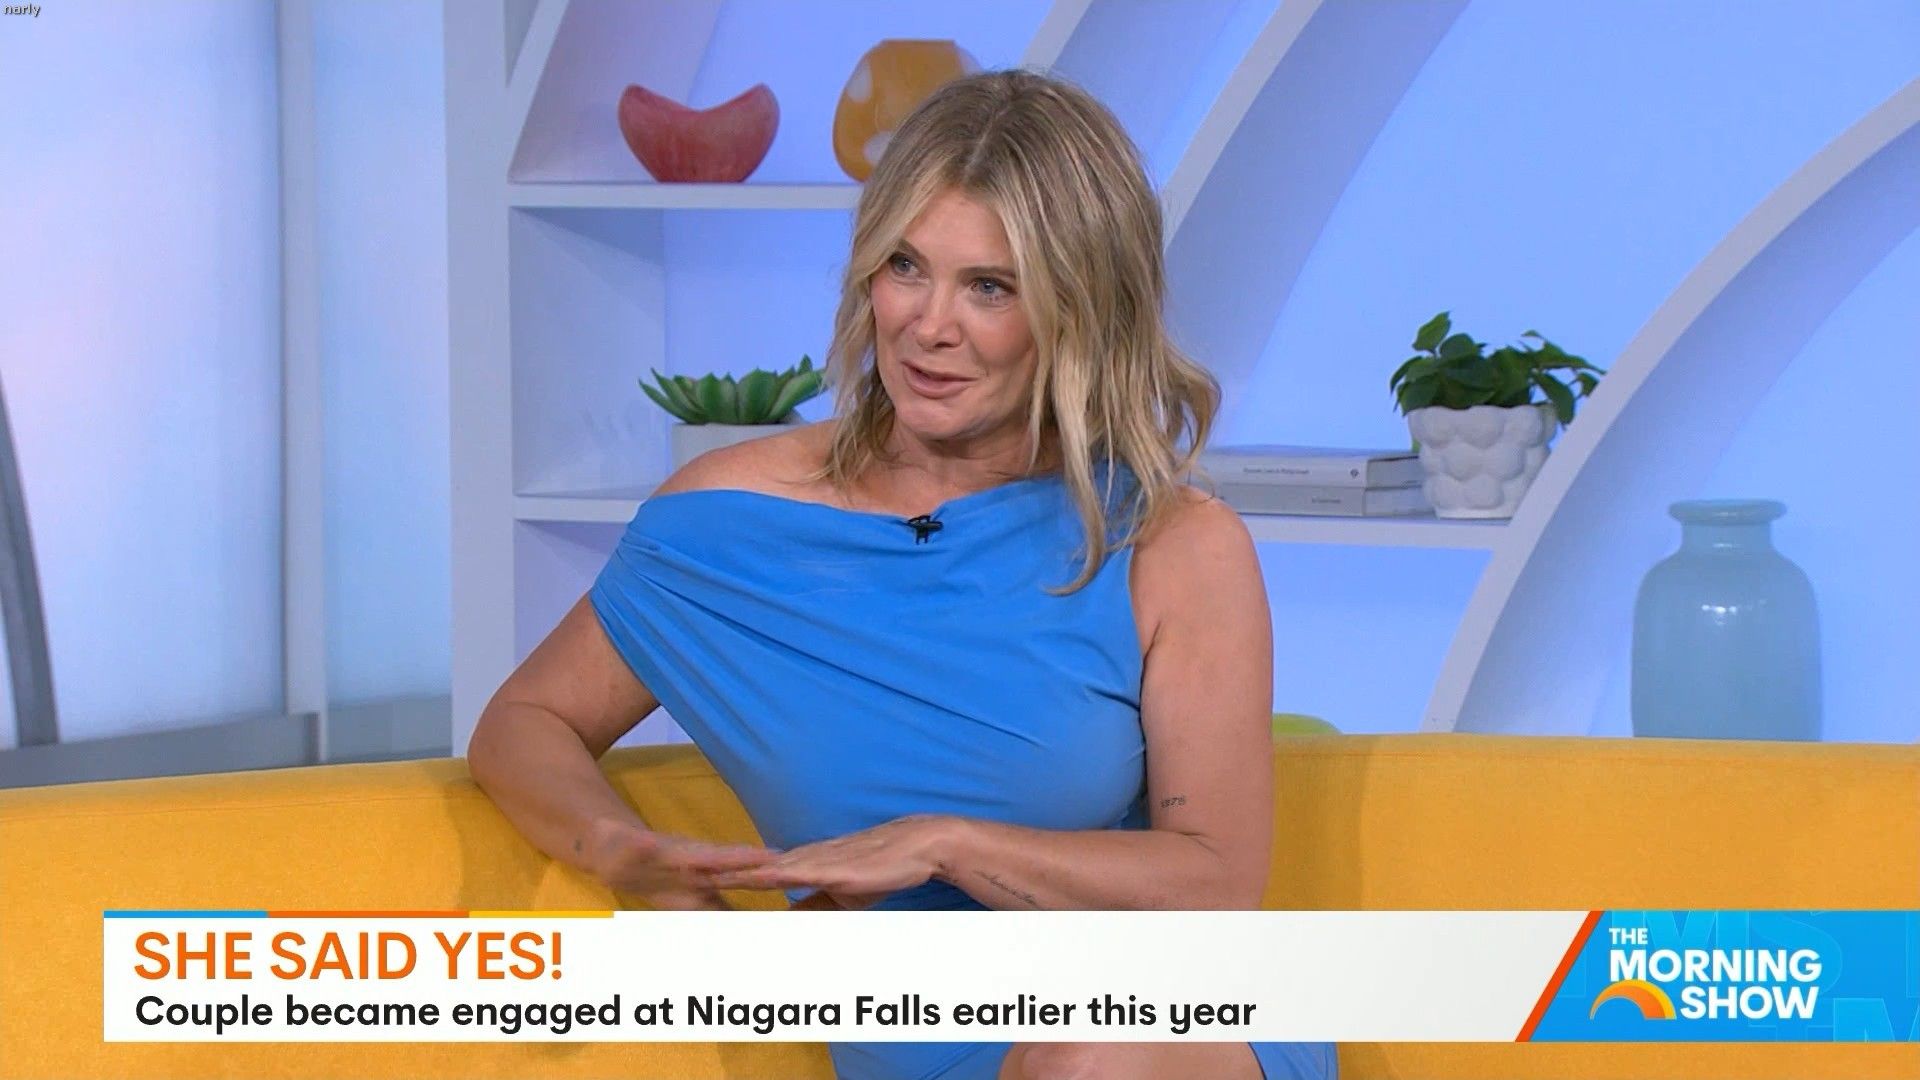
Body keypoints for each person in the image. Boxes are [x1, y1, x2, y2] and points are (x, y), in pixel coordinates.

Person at [468, 69, 1337, 1080]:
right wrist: (625, 856)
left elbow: (1215, 884)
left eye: (990, 288)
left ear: (1080, 311)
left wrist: (948, 844)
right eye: (906, 266)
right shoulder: (726, 526)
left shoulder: (1170, 541)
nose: (929, 325)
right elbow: (523, 720)